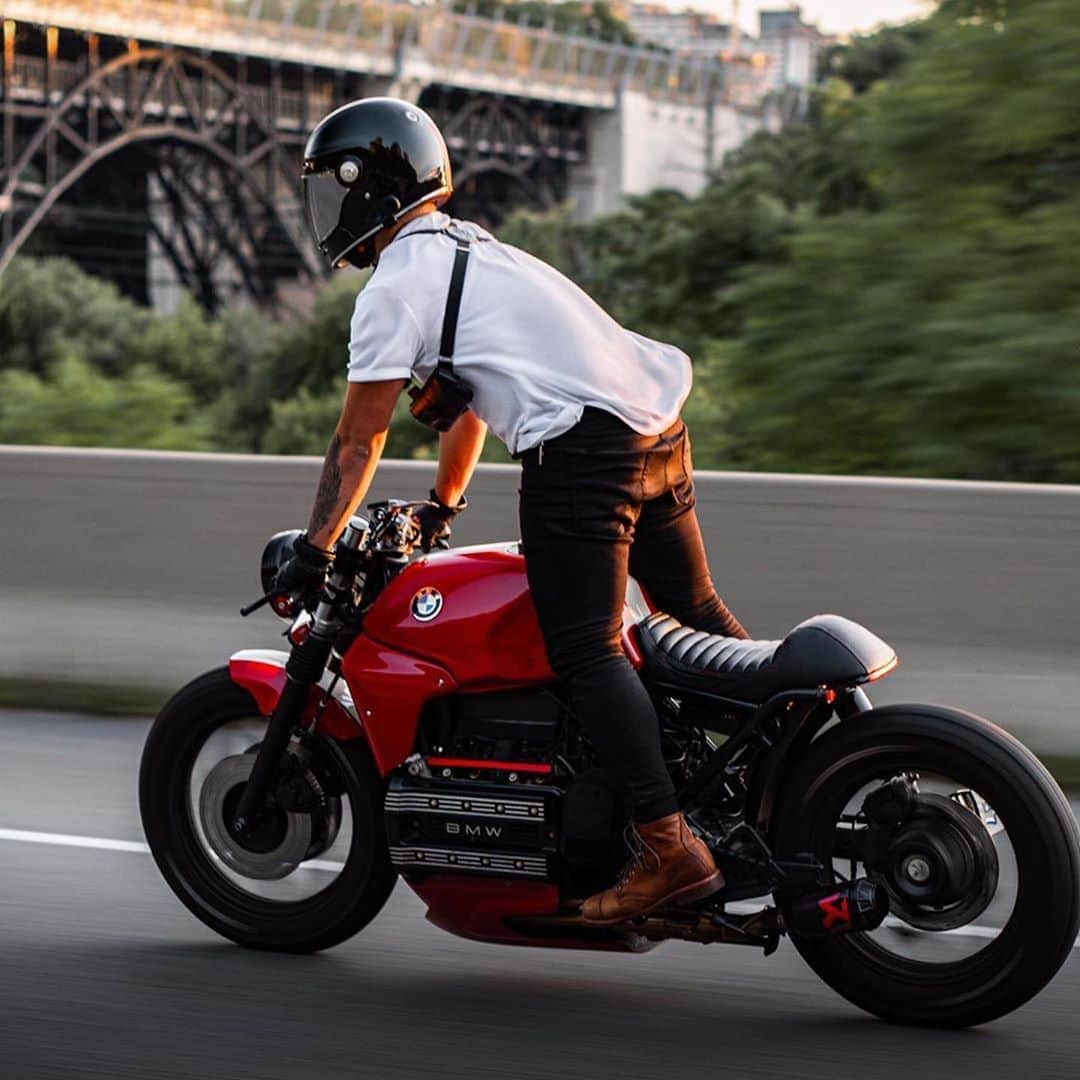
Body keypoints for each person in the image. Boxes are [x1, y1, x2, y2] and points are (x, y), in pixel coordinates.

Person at [278, 97, 749, 925]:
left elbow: (359, 442)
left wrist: (315, 551)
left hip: (584, 453)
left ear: (370, 190)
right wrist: (443, 505)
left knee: (585, 650)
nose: (327, 214)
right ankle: (774, 788)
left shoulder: (394, 288)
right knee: (695, 615)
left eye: (330, 191)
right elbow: (461, 403)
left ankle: (670, 846)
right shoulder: (473, 251)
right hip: (658, 430)